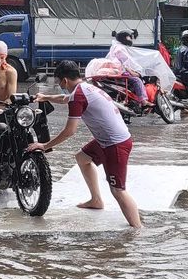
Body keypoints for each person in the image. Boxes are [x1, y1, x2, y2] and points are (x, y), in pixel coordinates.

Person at [27, 60, 142, 228]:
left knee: (118, 190)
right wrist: (45, 97)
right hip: (110, 139)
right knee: (82, 158)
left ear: (65, 81)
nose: (61, 86)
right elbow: (65, 98)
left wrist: (44, 145)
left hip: (115, 145)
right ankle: (96, 200)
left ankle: (138, 230)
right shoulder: (86, 88)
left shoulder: (78, 95)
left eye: (60, 83)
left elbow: (70, 131)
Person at [106, 29, 154, 107]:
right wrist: (132, 71)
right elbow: (125, 63)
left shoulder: (116, 46)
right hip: (120, 71)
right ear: (124, 38)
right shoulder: (120, 48)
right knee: (137, 80)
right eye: (128, 37)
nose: (130, 39)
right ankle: (143, 100)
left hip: (116, 70)